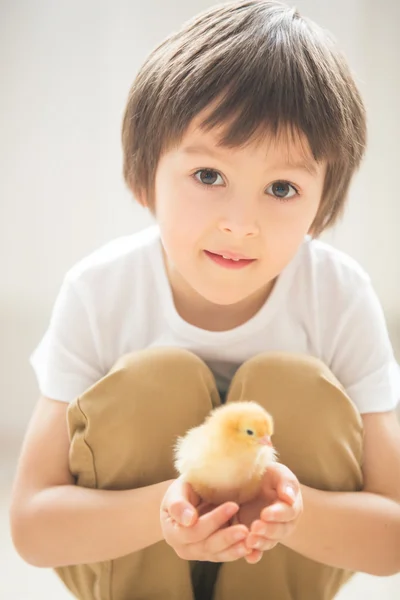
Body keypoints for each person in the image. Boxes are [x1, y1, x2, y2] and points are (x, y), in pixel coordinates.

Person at [9, 1, 400, 599]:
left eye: (281, 187)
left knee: (291, 384)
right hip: (132, 564)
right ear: (145, 179)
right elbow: (33, 525)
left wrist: (291, 511)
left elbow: (391, 534)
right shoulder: (100, 291)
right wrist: (168, 509)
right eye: (209, 176)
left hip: (283, 573)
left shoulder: (339, 298)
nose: (241, 224)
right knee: (155, 379)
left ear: (320, 207)